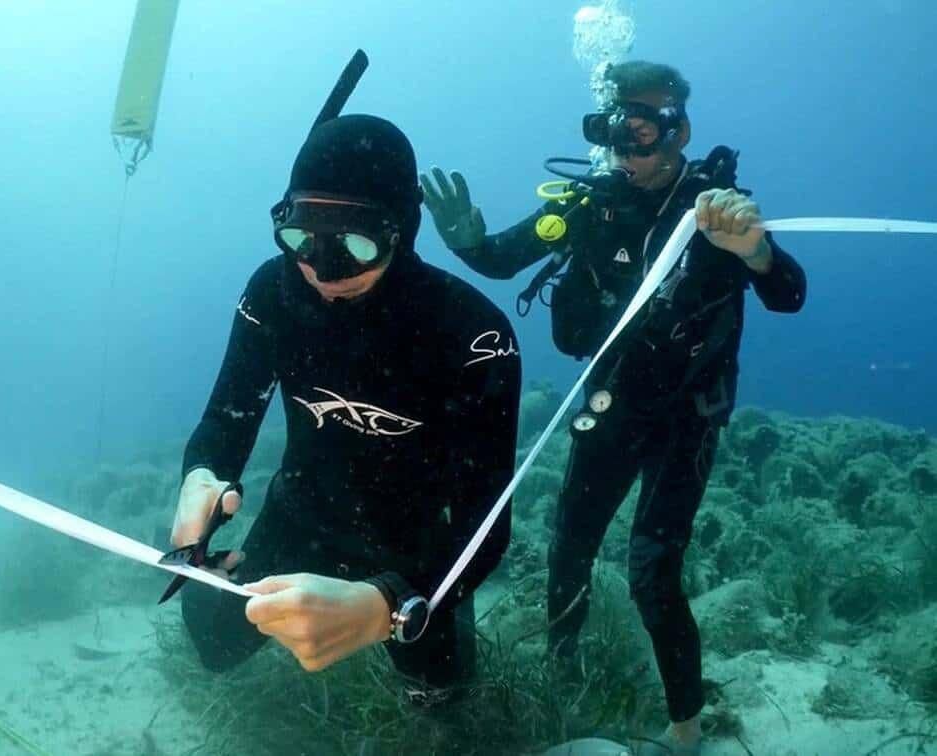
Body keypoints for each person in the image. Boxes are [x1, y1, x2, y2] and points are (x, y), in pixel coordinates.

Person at [421, 61, 806, 754]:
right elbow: (503, 258)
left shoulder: (713, 211)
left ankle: (686, 730)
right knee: (568, 548)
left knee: (652, 572)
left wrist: (752, 248)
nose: (626, 149)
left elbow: (788, 294)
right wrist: (467, 241)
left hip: (686, 417)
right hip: (613, 405)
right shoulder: (586, 205)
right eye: (612, 129)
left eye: (641, 130)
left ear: (677, 129)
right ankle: (562, 681)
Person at [168, 114, 522, 704]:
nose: (324, 271)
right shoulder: (272, 294)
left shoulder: (473, 333)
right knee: (214, 642)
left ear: (401, 230)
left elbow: (485, 521)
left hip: (419, 543)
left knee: (441, 698)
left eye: (356, 243)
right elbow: (227, 421)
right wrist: (201, 478)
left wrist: (390, 602)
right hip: (304, 511)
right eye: (302, 237)